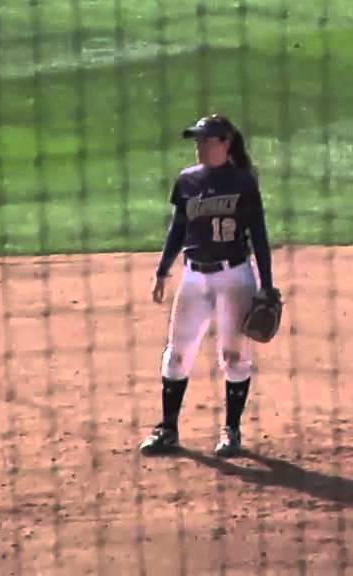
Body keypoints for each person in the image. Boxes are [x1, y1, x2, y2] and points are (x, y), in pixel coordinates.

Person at [139, 114, 278, 458]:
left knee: (234, 355)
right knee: (177, 353)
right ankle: (167, 429)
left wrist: (268, 285)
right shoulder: (187, 180)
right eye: (197, 141)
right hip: (194, 277)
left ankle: (231, 431)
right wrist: (162, 270)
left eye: (206, 140)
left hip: (235, 278)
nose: (199, 147)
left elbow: (259, 236)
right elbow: (178, 228)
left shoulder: (244, 182)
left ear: (225, 143)